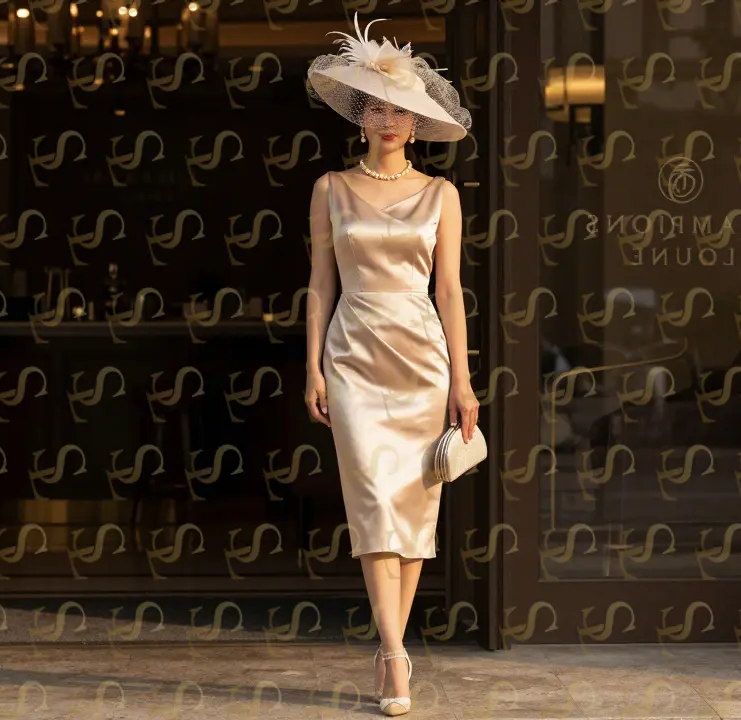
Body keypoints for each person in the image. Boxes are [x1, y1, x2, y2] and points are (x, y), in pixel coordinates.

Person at [303, 13, 477, 717]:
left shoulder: (442, 195)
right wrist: (310, 366)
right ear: (360, 116)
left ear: (417, 120)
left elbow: (450, 293)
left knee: (412, 509)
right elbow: (319, 284)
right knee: (372, 501)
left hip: (422, 360)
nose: (390, 119)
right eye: (378, 107)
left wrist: (463, 382)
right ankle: (394, 652)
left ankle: (389, 648)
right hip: (351, 357)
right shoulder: (329, 189)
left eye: (402, 109)